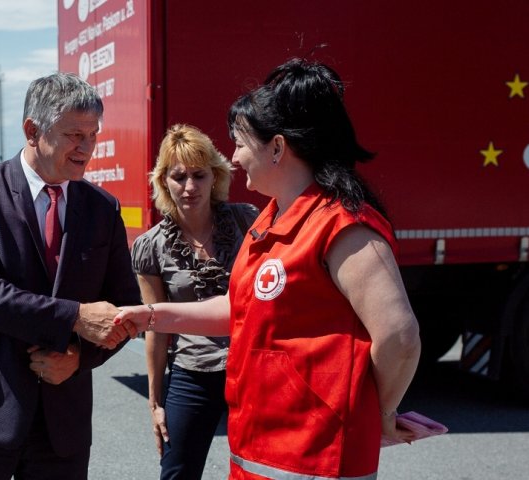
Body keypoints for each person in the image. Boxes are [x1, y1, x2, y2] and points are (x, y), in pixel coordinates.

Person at [116, 58, 421, 480]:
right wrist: (146, 316)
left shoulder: (343, 225)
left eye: (240, 143)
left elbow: (399, 337)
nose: (235, 158)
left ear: (276, 148)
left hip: (318, 458)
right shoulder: (270, 218)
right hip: (266, 452)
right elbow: (238, 309)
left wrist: (381, 412)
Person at [0, 72, 140, 480]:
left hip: (61, 425)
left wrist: (79, 359)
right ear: (32, 130)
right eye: (75, 134)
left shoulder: (102, 208)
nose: (87, 148)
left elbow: (122, 307)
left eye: (93, 134)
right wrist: (74, 317)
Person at [131, 124, 258, 479]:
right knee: (177, 473)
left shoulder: (247, 220)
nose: (189, 187)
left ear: (215, 176)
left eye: (199, 175)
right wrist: (155, 402)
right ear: (163, 181)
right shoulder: (151, 246)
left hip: (251, 368)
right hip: (192, 373)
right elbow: (156, 328)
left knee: (263, 469)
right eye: (179, 176)